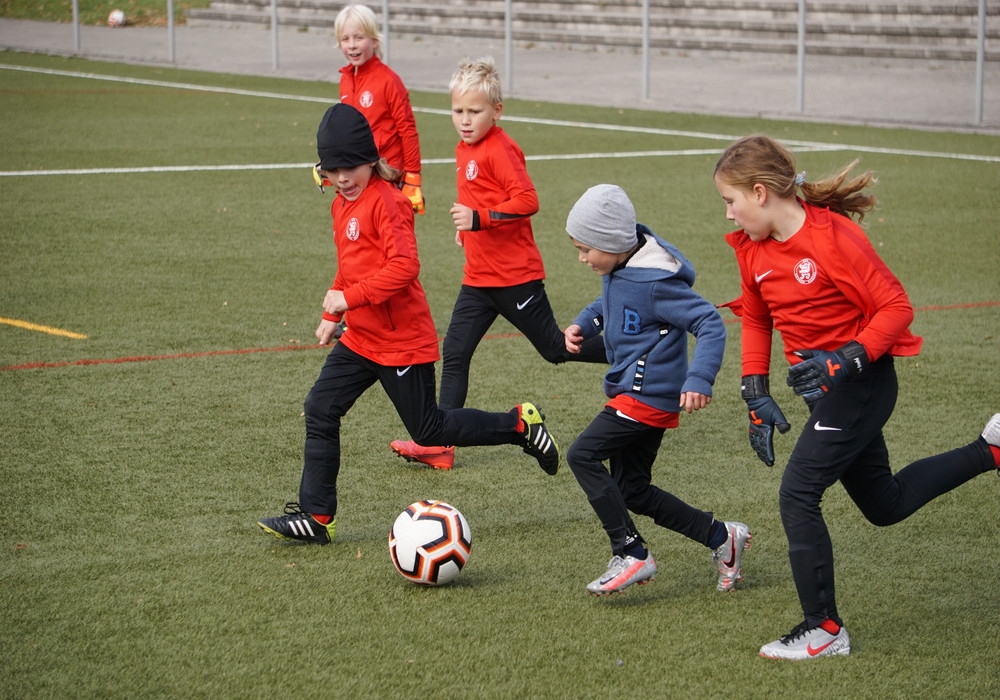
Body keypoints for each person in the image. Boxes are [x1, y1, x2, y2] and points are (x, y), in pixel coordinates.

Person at [713, 133, 1000, 660]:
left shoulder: (833, 237)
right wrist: (754, 389)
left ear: (759, 192)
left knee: (798, 493)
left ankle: (823, 630)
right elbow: (756, 317)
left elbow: (897, 308)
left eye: (730, 201)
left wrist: (844, 359)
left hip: (863, 386)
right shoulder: (752, 251)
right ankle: (992, 450)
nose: (728, 214)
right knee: (885, 504)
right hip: (824, 393)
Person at [258, 104, 560, 546]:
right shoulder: (341, 205)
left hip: (401, 341)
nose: (341, 178)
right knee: (320, 407)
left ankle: (519, 425)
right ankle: (317, 517)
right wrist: (332, 312)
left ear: (370, 160)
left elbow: (404, 267)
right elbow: (351, 266)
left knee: (429, 431)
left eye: (350, 167)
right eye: (332, 169)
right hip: (362, 337)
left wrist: (349, 299)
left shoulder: (389, 202)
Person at [389, 56, 606, 471]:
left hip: (515, 278)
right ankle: (440, 444)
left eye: (475, 111)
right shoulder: (463, 148)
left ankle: (638, 352)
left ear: (497, 110)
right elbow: (480, 195)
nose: (465, 120)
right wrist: (468, 228)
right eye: (458, 111)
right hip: (478, 280)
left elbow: (528, 200)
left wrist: (480, 219)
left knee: (555, 349)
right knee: (455, 352)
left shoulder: (501, 148)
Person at [561, 184, 751, 596]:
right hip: (633, 394)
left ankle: (630, 552)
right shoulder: (621, 269)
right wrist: (583, 323)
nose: (582, 258)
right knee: (632, 490)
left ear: (612, 243)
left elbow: (709, 322)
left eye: (586, 249)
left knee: (582, 455)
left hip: (647, 395)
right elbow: (609, 304)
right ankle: (722, 536)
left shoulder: (654, 283)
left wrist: (699, 378)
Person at [331, 3, 424, 340]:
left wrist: (412, 180)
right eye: (345, 39)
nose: (352, 45)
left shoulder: (388, 81)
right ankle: (358, 314)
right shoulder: (346, 80)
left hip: (387, 179)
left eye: (359, 37)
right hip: (358, 180)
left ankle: (392, 316)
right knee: (357, 246)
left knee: (390, 253)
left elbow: (407, 130)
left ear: (374, 39)